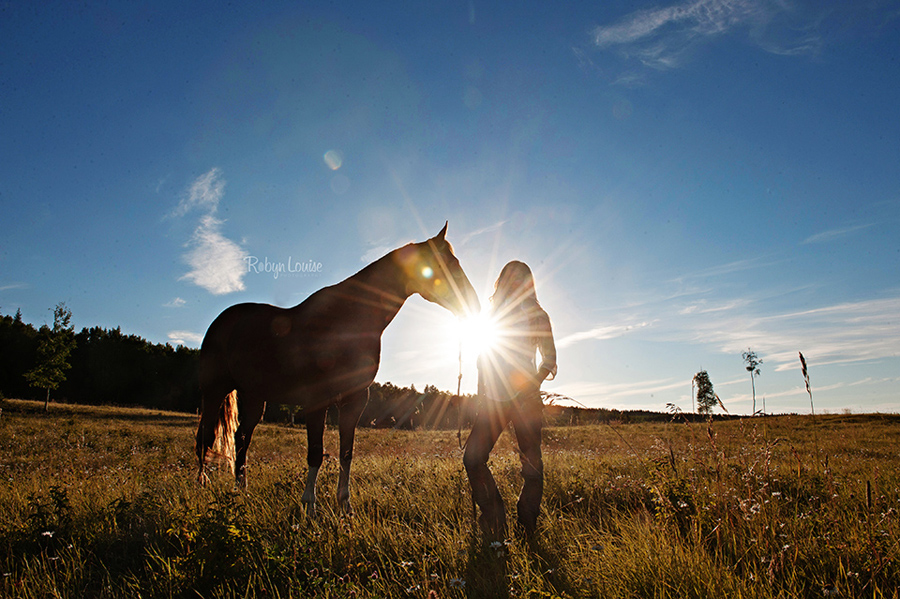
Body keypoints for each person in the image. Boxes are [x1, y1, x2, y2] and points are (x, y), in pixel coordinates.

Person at [463, 261, 557, 541]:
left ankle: (526, 526)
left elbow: (549, 359)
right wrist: (481, 395)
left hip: (526, 399)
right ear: (502, 282)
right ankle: (494, 518)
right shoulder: (493, 316)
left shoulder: (539, 315)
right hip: (493, 399)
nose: (514, 284)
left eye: (520, 279)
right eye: (509, 279)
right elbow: (484, 357)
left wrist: (533, 383)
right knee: (472, 458)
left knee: (531, 465)